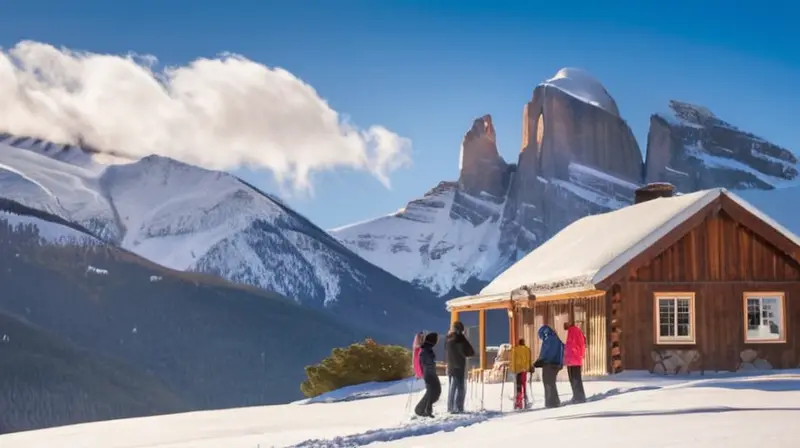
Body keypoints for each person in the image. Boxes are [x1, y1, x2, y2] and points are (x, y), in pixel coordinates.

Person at [445, 321, 475, 413]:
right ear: (461, 330)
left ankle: (450, 408)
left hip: (450, 367)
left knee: (452, 388)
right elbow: (470, 352)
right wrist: (463, 337)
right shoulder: (460, 339)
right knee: (460, 388)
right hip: (459, 367)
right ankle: (458, 408)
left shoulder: (448, 339)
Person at [533, 325, 564, 408]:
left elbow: (547, 352)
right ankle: (555, 401)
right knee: (551, 383)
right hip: (556, 364)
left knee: (548, 383)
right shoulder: (556, 339)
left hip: (549, 364)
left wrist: (541, 360)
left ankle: (551, 403)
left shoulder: (549, 339)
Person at [415, 332, 442, 417]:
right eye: (437, 339)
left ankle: (422, 409)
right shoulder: (426, 350)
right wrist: (431, 372)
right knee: (433, 392)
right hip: (429, 374)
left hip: (430, 373)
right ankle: (423, 410)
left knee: (433, 392)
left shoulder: (427, 348)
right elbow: (427, 363)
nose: (438, 341)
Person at [563, 321, 587, 403]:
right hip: (575, 359)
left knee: (574, 378)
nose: (564, 325)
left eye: (565, 323)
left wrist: (567, 356)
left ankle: (579, 397)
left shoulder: (573, 331)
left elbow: (572, 346)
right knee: (575, 378)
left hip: (573, 359)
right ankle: (578, 396)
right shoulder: (576, 331)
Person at [509, 338, 532, 409]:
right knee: (524, 386)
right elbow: (529, 360)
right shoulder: (528, 350)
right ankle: (526, 400)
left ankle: (519, 403)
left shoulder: (515, 350)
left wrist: (512, 370)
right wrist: (530, 368)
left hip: (518, 371)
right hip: (525, 371)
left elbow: (513, 361)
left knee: (518, 387)